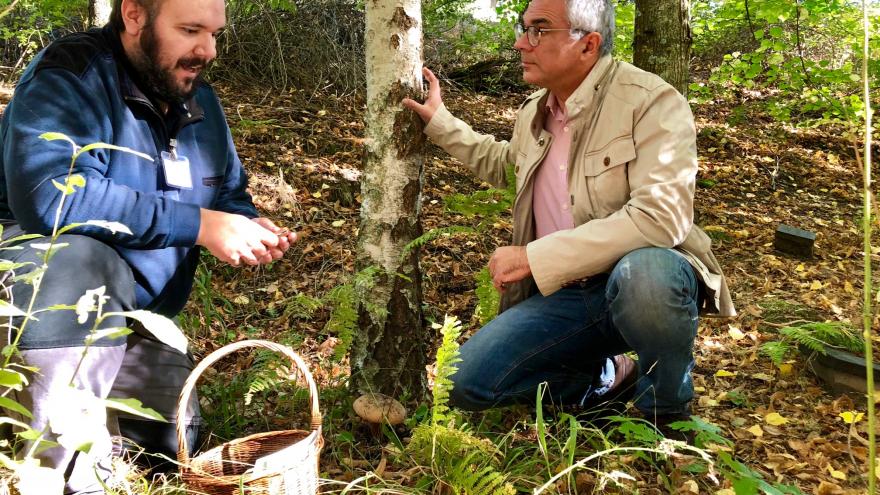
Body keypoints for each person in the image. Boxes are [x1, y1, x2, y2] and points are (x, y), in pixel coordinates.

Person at [0, 0, 297, 491]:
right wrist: (201, 225)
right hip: (46, 299)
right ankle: (48, 465)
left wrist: (247, 227)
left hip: (137, 318)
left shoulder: (201, 103)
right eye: (190, 30)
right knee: (79, 257)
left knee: (169, 442)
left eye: (216, 34)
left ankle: (98, 430)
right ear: (134, 15)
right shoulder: (69, 77)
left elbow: (226, 193)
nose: (207, 50)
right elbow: (49, 194)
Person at [404, 0, 735, 436]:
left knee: (648, 275)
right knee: (468, 384)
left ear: (588, 44)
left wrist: (534, 257)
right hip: (565, 294)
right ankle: (610, 379)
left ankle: (666, 410)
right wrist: (441, 123)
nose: (522, 43)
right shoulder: (533, 112)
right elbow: (509, 165)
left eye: (540, 30)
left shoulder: (651, 102)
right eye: (524, 29)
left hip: (638, 283)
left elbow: (662, 218)